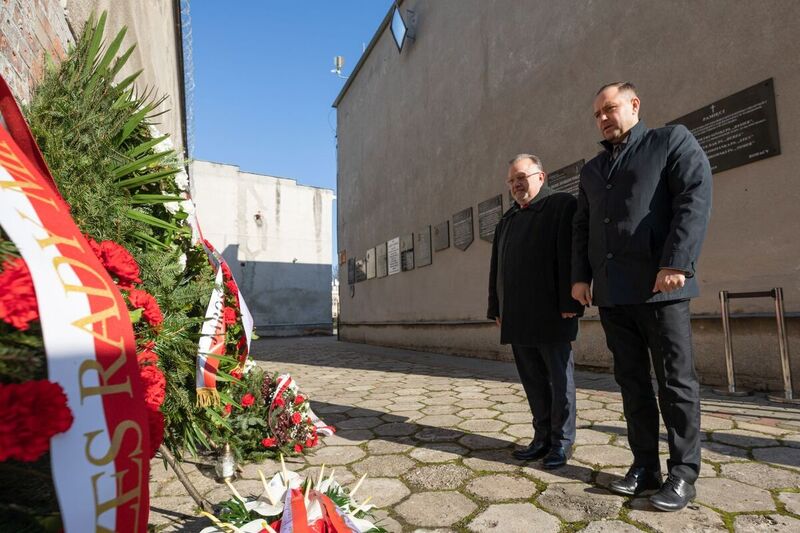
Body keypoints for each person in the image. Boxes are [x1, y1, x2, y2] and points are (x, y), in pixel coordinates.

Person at [571, 82, 712, 511]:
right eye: (597, 114)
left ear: (634, 105)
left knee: (675, 383)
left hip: (660, 289)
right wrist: (580, 277)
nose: (602, 118)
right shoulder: (592, 170)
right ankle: (645, 466)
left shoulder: (669, 141)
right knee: (631, 383)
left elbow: (693, 197)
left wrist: (677, 262)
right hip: (613, 293)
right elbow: (583, 226)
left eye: (609, 109)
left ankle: (683, 474)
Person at [488, 154, 584, 469]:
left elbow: (571, 255)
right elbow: (497, 269)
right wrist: (496, 307)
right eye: (511, 180)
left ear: (541, 177)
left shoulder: (561, 205)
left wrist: (571, 302)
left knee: (559, 382)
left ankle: (562, 442)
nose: (516, 184)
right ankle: (541, 437)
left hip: (553, 312)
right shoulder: (507, 220)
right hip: (517, 315)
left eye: (521, 177)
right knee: (533, 381)